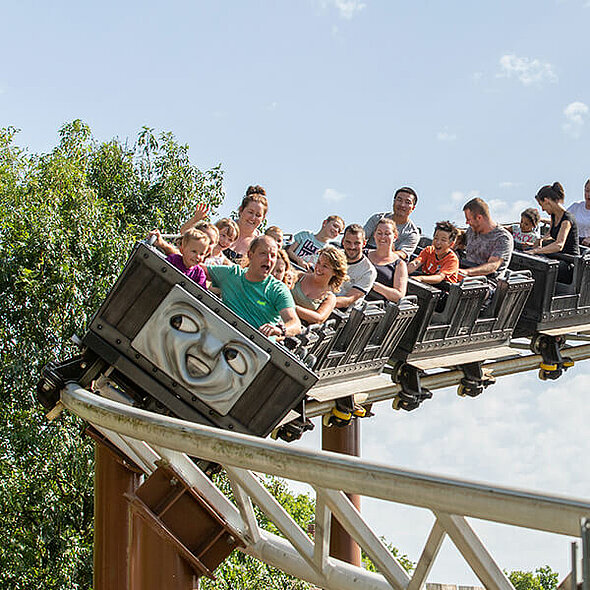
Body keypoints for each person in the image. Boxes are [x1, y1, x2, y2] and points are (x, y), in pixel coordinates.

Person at [207, 235, 301, 338]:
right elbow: (194, 268)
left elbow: (295, 324)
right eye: (263, 254)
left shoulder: (277, 290)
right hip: (221, 335)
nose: (268, 259)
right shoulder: (232, 274)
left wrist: (280, 329)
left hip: (253, 347)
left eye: (273, 255)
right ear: (250, 255)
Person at [460, 197, 513, 284]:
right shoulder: (471, 231)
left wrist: (468, 272)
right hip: (464, 277)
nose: (467, 223)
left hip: (487, 283)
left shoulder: (502, 238)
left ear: (479, 218)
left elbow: (492, 266)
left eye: (469, 219)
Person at [292, 245, 348, 325]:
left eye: (325, 266)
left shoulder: (329, 298)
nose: (318, 268)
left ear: (335, 272)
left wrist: (290, 307)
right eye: (318, 262)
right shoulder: (299, 276)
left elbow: (319, 318)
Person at [363, 187, 420, 259]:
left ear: (413, 208)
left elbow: (402, 254)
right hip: (366, 255)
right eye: (399, 200)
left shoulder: (412, 233)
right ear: (394, 202)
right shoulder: (377, 218)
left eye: (407, 202)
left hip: (389, 262)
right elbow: (361, 237)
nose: (402, 205)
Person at [529, 182, 579, 257]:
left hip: (569, 260)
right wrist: (540, 240)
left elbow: (559, 245)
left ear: (546, 201)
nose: (542, 209)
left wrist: (536, 251)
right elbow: (550, 235)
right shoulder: (553, 216)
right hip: (557, 256)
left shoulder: (567, 219)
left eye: (542, 205)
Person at [365, 218, 408, 302]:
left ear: (395, 237)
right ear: (374, 235)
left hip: (375, 308)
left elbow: (399, 295)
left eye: (387, 234)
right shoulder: (364, 254)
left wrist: (373, 285)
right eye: (379, 233)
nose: (382, 237)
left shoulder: (399, 264)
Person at [335, 224, 377, 309]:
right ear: (343, 241)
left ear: (364, 243)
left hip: (341, 314)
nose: (352, 247)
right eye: (348, 242)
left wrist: (322, 301)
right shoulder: (334, 257)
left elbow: (348, 300)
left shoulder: (369, 271)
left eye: (356, 243)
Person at [223, 186, 268, 264]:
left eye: (258, 215)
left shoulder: (260, 244)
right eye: (250, 212)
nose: (253, 218)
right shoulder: (224, 227)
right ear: (241, 210)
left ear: (263, 218)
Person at [407, 220, 460, 285]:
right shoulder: (429, 250)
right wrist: (404, 271)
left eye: (443, 240)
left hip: (443, 288)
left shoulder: (452, 260)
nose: (438, 242)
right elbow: (416, 262)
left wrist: (420, 278)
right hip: (426, 280)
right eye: (436, 238)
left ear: (451, 244)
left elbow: (440, 277)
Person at [567, 179, 590, 247]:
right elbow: (561, 219)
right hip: (573, 242)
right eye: (587, 191)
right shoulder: (576, 206)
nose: (589, 194)